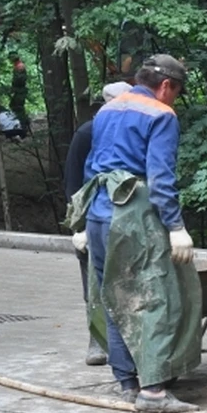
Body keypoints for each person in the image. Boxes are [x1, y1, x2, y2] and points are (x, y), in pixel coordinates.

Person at [64, 55, 201, 413]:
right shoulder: (161, 114)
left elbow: (93, 165)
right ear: (167, 85)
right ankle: (153, 392)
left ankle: (128, 383)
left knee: (112, 296)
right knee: (153, 297)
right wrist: (175, 228)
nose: (174, 99)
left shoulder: (109, 110)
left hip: (97, 213)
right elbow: (160, 178)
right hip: (133, 215)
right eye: (177, 92)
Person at [65, 81, 133, 367]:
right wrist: (76, 226)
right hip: (93, 215)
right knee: (93, 281)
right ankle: (96, 339)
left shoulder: (129, 132)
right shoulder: (87, 133)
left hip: (124, 217)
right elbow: (72, 181)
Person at [8, 52, 29, 129]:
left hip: (20, 91)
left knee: (19, 107)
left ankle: (24, 125)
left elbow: (19, 80)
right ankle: (20, 123)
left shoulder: (20, 66)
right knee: (13, 105)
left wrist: (14, 88)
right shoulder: (17, 66)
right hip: (18, 90)